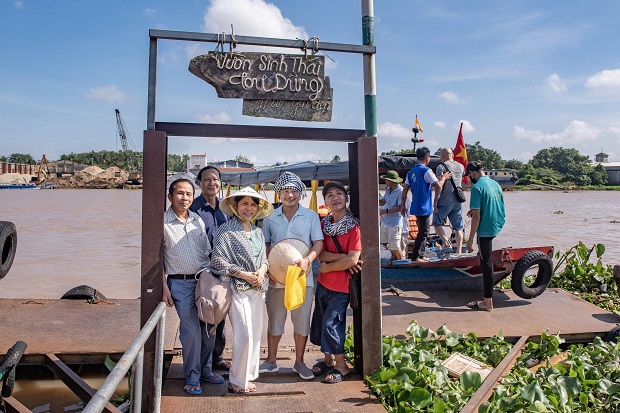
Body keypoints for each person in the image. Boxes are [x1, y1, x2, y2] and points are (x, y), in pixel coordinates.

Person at [161, 178, 224, 396]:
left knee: (209, 329)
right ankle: (192, 377)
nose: (184, 198)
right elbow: (156, 260)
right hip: (180, 283)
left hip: (205, 280)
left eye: (188, 194)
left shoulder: (197, 219)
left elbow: (207, 251)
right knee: (191, 333)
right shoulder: (162, 223)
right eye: (180, 193)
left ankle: (206, 370)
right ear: (170, 196)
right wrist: (163, 287)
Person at [259, 172, 324, 380]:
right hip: (276, 277)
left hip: (302, 278)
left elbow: (318, 243)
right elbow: (265, 245)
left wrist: (308, 260)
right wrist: (267, 270)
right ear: (278, 194)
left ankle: (299, 362)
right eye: (285, 191)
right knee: (275, 320)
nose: (290, 195)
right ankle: (271, 361)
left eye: (294, 190)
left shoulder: (311, 216)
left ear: (300, 193)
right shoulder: (269, 216)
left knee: (301, 322)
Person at [210, 186, 273, 393]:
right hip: (236, 288)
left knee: (255, 334)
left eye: (253, 204)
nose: (249, 208)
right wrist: (243, 274)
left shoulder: (257, 231)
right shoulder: (225, 230)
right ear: (235, 206)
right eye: (244, 203)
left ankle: (248, 376)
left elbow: (264, 259)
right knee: (244, 334)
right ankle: (237, 380)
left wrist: (262, 271)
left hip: (258, 289)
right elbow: (217, 261)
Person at [310, 181, 362, 384]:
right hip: (323, 284)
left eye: (339, 193)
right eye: (330, 195)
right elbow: (319, 252)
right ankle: (328, 360)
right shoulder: (324, 225)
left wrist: (327, 267)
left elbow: (353, 260)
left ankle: (342, 366)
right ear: (325, 201)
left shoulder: (354, 226)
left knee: (332, 324)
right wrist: (342, 257)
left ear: (346, 198)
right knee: (320, 322)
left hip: (342, 286)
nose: (335, 197)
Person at [189, 165, 231, 371]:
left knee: (219, 312)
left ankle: (217, 357)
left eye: (215, 179)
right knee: (202, 315)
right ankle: (199, 361)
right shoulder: (193, 208)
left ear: (220, 183)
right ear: (199, 183)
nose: (211, 183)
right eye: (206, 179)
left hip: (223, 269)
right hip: (201, 271)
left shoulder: (226, 208)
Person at [465, 161, 506, 311]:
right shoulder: (495, 184)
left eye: (469, 175)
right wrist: (476, 211)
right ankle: (487, 298)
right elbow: (498, 204)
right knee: (485, 258)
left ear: (473, 173)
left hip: (485, 229)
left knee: (486, 264)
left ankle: (487, 302)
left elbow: (476, 217)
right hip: (496, 223)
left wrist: (470, 240)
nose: (470, 178)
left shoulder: (477, 188)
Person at [400, 147, 450, 262]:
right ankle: (416, 257)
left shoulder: (410, 172)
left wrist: (403, 205)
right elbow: (438, 186)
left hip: (415, 206)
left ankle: (420, 255)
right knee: (424, 233)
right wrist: (443, 178)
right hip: (424, 206)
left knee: (422, 231)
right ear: (427, 158)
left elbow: (405, 190)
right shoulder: (426, 171)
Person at [432, 148, 465, 254]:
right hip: (458, 201)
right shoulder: (461, 166)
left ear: (442, 156)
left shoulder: (441, 167)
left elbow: (439, 186)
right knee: (458, 227)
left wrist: (435, 201)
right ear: (452, 155)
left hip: (444, 201)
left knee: (436, 223)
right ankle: (459, 251)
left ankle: (447, 243)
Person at [379, 170, 404, 261]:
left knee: (395, 246)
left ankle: (402, 263)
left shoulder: (401, 191)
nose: (385, 181)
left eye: (386, 180)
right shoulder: (388, 190)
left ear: (391, 181)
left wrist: (385, 211)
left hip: (394, 223)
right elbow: (383, 201)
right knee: (384, 244)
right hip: (385, 221)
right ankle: (392, 261)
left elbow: (400, 208)